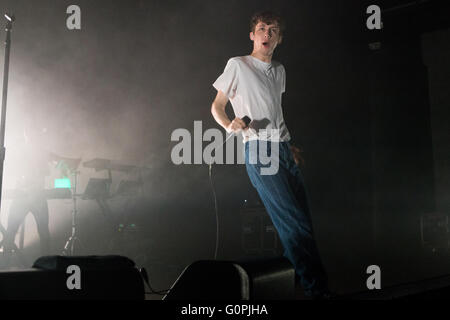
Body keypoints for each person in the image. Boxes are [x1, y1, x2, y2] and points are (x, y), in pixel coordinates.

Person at [211, 11, 330, 298]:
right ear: (252, 35)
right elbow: (216, 106)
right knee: (295, 224)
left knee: (303, 222)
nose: (267, 34)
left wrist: (288, 145)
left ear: (279, 38)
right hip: (260, 150)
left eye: (273, 30)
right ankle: (319, 292)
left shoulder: (279, 70)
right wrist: (230, 123)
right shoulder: (238, 65)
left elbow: (275, 111)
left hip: (283, 149)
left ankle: (288, 285)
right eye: (262, 29)